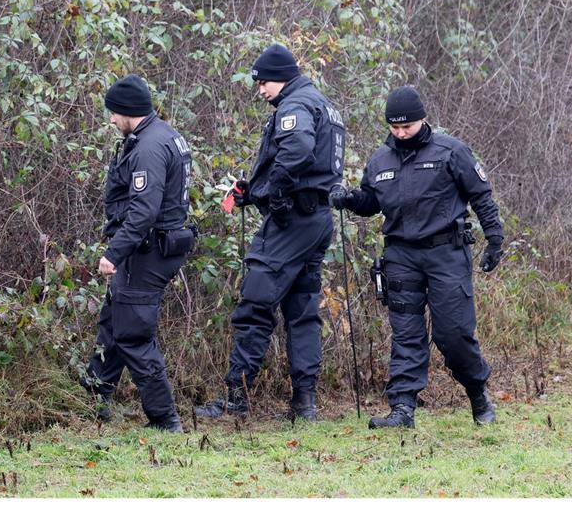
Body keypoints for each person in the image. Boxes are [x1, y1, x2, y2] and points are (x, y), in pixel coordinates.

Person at [331, 85, 503, 428]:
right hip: (400, 255)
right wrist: (349, 199)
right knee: (406, 333)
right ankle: (402, 409)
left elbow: (481, 195)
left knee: (453, 334)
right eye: (394, 128)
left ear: (422, 119)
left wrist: (495, 239)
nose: (400, 133)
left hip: (446, 253)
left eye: (406, 127)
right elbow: (371, 202)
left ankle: (477, 393)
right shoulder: (380, 159)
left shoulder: (450, 151)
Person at [196, 43, 345, 421]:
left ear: (281, 76)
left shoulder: (295, 106)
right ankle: (304, 404)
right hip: (316, 218)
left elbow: (296, 152)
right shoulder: (320, 103)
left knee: (255, 303)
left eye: (263, 82)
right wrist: (254, 191)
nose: (260, 90)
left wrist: (275, 193)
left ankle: (236, 398)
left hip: (291, 222)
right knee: (302, 310)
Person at [80, 74, 196, 432]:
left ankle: (165, 419)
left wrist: (113, 253)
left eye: (114, 113)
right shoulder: (162, 135)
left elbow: (144, 212)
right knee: (114, 320)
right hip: (153, 247)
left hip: (147, 251)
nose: (111, 120)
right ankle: (95, 397)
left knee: (132, 333)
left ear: (128, 111)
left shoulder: (148, 147)